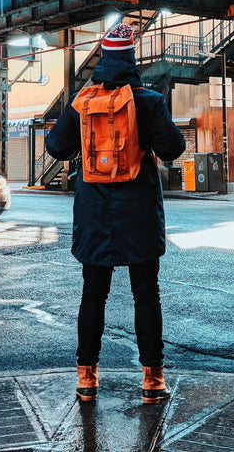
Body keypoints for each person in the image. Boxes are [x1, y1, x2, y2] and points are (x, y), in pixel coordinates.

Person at [46, 22, 186, 405]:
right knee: (146, 294)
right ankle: (152, 381)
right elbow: (173, 149)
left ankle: (87, 379)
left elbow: (55, 147)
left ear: (103, 59)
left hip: (94, 213)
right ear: (132, 61)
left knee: (93, 293)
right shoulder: (149, 101)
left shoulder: (82, 102)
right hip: (138, 212)